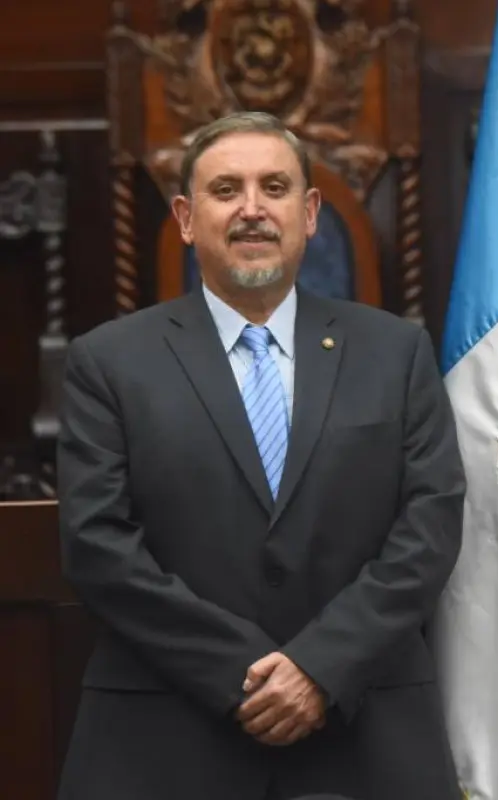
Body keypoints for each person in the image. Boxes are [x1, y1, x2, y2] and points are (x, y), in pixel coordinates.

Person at [55, 111, 466, 800]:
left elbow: (429, 526)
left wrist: (320, 668)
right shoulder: (108, 362)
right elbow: (97, 545)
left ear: (309, 213)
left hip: (363, 734)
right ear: (186, 218)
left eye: (274, 187)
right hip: (166, 737)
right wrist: (241, 672)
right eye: (226, 190)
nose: (252, 209)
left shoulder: (396, 353)